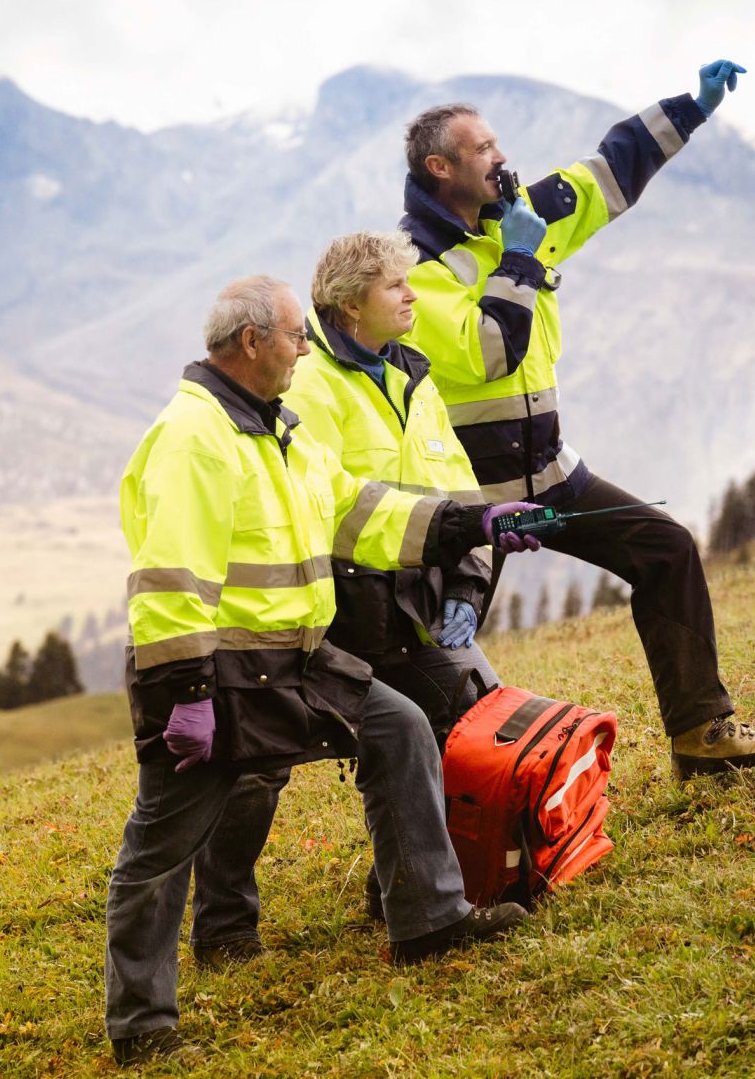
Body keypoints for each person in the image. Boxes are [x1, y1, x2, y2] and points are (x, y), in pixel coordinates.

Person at [106, 275, 539, 1066]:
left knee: (400, 729)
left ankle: (429, 921)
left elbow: (359, 510)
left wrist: (468, 523)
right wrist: (188, 697)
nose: (307, 349)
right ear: (251, 343)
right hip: (217, 678)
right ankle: (141, 1024)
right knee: (161, 844)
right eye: (295, 338)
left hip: (299, 663)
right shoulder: (193, 438)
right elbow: (168, 583)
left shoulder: (283, 430)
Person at [398, 60, 755, 778]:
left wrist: (694, 105)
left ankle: (701, 737)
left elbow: (610, 168)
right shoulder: (414, 269)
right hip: (474, 507)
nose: (501, 157)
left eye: (498, 144)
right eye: (484, 149)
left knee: (665, 551)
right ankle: (429, 846)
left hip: (550, 475)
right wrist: (518, 257)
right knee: (439, 662)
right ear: (440, 167)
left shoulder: (521, 210)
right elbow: (489, 353)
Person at [187, 233, 502, 965]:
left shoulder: (416, 380)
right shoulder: (308, 386)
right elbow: (315, 510)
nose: (412, 295)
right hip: (328, 615)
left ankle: (408, 892)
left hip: (414, 606)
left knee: (463, 714)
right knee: (257, 762)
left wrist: (466, 579)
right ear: (351, 303)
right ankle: (224, 927)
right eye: (396, 285)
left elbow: (454, 489)